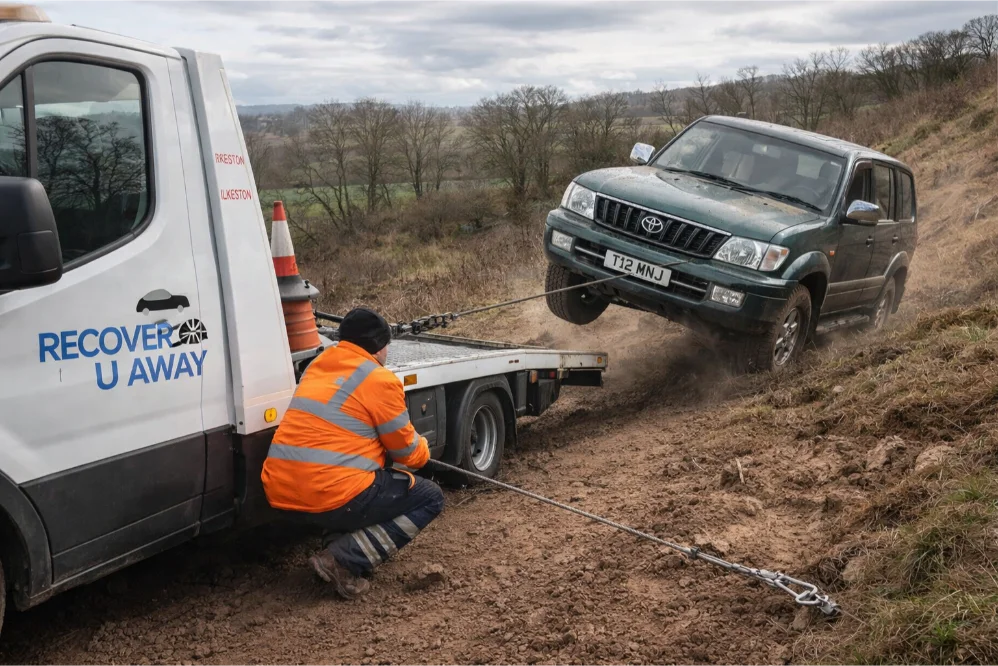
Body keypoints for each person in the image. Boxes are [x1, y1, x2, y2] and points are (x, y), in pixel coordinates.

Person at [261, 307, 445, 599]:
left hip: (280, 493)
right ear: (379, 346)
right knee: (430, 497)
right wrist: (422, 445)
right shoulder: (378, 379)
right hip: (329, 493)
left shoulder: (317, 366)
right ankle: (343, 561)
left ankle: (340, 545)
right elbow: (409, 454)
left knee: (361, 480)